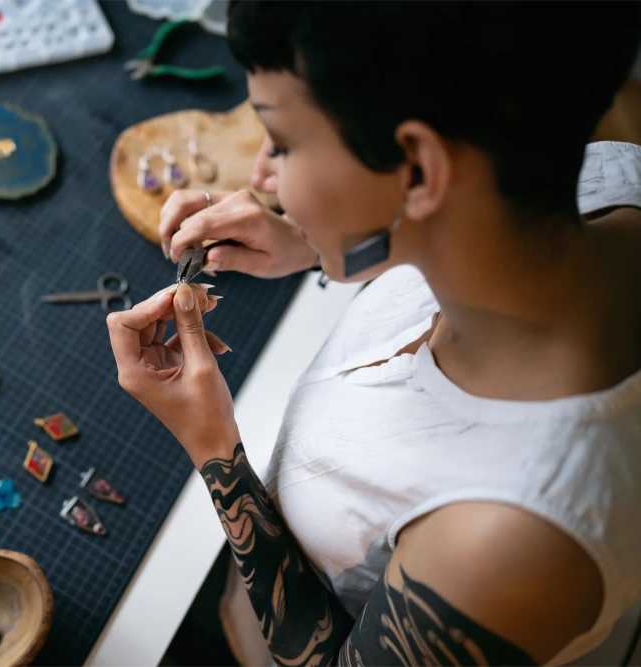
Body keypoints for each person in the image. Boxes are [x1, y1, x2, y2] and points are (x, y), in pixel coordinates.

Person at [106, 2, 641, 665]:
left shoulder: (511, 538)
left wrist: (213, 444)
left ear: (416, 170)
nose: (261, 177)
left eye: (283, 143)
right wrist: (314, 239)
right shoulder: (607, 172)